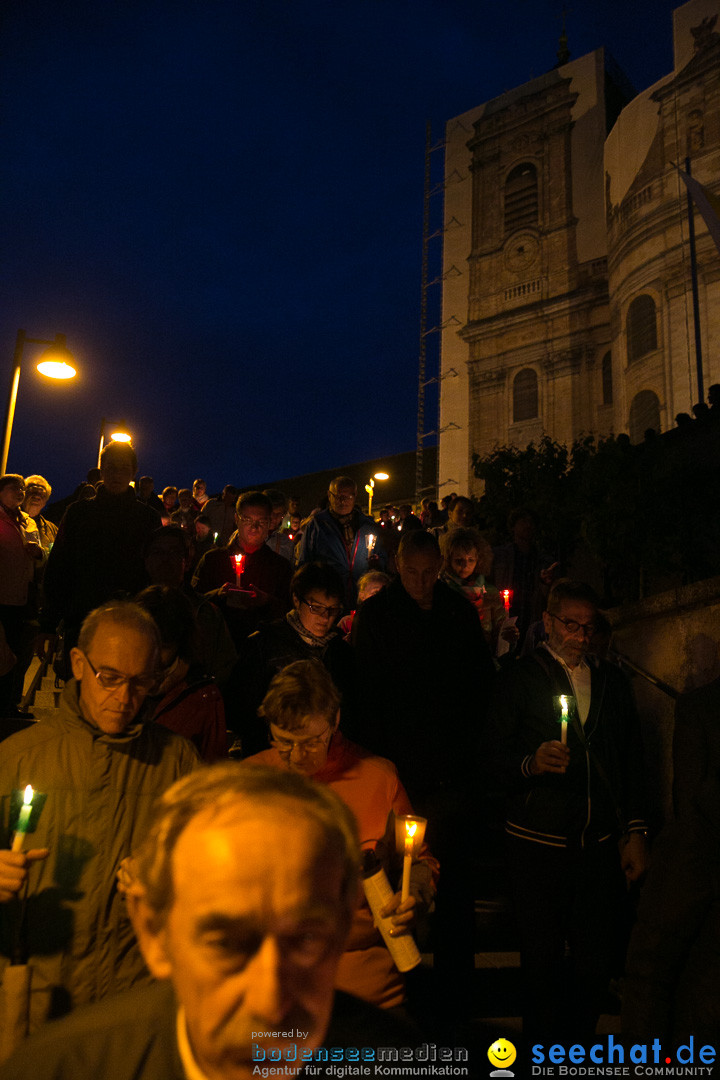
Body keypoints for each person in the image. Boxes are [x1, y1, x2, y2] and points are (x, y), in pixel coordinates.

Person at [0, 764, 417, 1079]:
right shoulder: (61, 1070)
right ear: (154, 933)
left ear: (343, 925)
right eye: (226, 944)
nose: (269, 1001)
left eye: (305, 938)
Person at [0, 601, 198, 1032]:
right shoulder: (17, 759)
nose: (124, 698)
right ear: (77, 664)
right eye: (108, 678)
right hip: (38, 1000)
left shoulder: (177, 763)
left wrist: (167, 881)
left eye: (141, 682)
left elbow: (209, 884)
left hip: (132, 1004)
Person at [486, 579, 648, 1048]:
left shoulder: (612, 681)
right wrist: (530, 764)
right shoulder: (520, 678)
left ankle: (573, 1049)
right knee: (540, 963)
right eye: (571, 625)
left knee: (595, 964)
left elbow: (630, 758)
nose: (580, 636)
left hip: (597, 844)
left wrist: (634, 830)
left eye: (589, 627)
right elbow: (491, 758)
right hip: (537, 843)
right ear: (549, 622)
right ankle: (540, 1054)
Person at [353, 529, 495, 1033]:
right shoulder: (377, 617)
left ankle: (456, 1004)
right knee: (397, 894)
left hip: (451, 778)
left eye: (429, 572)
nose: (421, 582)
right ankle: (402, 1001)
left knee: (453, 893)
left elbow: (480, 687)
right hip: (399, 776)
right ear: (397, 565)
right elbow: (363, 697)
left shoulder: (456, 614)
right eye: (411, 572)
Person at [247, 660, 437, 1008]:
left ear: (335, 721)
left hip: (364, 987)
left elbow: (419, 860)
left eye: (311, 742)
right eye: (284, 742)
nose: (297, 756)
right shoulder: (249, 781)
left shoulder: (378, 779)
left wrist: (415, 895)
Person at [37, 441, 161, 665]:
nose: (117, 474)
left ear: (133, 472)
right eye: (111, 467)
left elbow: (155, 574)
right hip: (82, 621)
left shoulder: (147, 518)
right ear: (101, 470)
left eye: (124, 468)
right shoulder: (78, 513)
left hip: (131, 625)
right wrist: (48, 623)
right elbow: (59, 567)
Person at [225, 562, 355, 757]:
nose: (325, 617)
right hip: (274, 755)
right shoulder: (264, 644)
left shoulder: (341, 653)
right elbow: (240, 712)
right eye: (316, 607)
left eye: (332, 610)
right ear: (296, 600)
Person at [135, 585, 228, 763]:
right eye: (145, 643)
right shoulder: (121, 683)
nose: (151, 656)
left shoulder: (203, 698)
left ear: (180, 643)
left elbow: (213, 770)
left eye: (163, 647)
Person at [192, 491, 292, 650]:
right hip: (217, 648)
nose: (255, 527)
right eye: (247, 520)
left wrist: (266, 601)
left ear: (269, 523)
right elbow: (192, 604)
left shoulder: (280, 567)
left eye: (261, 521)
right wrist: (218, 594)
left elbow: (291, 612)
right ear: (237, 519)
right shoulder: (213, 560)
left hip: (263, 651)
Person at [295, 476, 387, 609]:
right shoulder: (317, 525)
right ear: (329, 495)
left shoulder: (367, 525)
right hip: (328, 597)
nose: (342, 501)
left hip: (362, 597)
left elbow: (382, 557)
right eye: (338, 496)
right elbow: (305, 563)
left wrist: (378, 562)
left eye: (348, 497)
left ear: (355, 496)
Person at [0, 475, 42, 718]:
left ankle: (9, 705)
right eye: (14, 487)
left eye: (22, 488)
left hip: (22, 598)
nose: (20, 491)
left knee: (17, 653)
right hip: (2, 596)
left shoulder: (27, 521)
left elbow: (38, 555)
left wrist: (37, 554)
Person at [264, 488, 294, 563]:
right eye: (271, 513)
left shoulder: (286, 543)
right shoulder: (246, 537)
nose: (274, 518)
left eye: (279, 514)